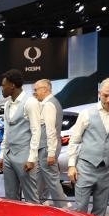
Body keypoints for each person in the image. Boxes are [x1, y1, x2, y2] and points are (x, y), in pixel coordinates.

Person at [66, 77, 109, 216]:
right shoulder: (86, 113)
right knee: (80, 209)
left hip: (107, 170)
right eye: (105, 95)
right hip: (85, 167)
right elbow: (75, 141)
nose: (108, 99)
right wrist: (71, 166)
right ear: (99, 93)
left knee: (100, 211)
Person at [0, 69, 41, 202]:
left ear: (12, 86)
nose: (2, 89)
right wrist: (2, 155)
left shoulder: (30, 102)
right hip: (8, 155)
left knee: (31, 197)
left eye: (3, 85)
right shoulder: (7, 104)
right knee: (10, 197)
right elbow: (7, 131)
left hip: (24, 155)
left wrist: (32, 158)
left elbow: (36, 131)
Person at [32, 79, 71, 207]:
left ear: (45, 89)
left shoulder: (49, 105)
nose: (34, 93)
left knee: (52, 179)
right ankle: (35, 203)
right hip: (46, 147)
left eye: (36, 90)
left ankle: (64, 206)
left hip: (47, 148)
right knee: (40, 178)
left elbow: (51, 130)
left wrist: (51, 153)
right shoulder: (51, 103)